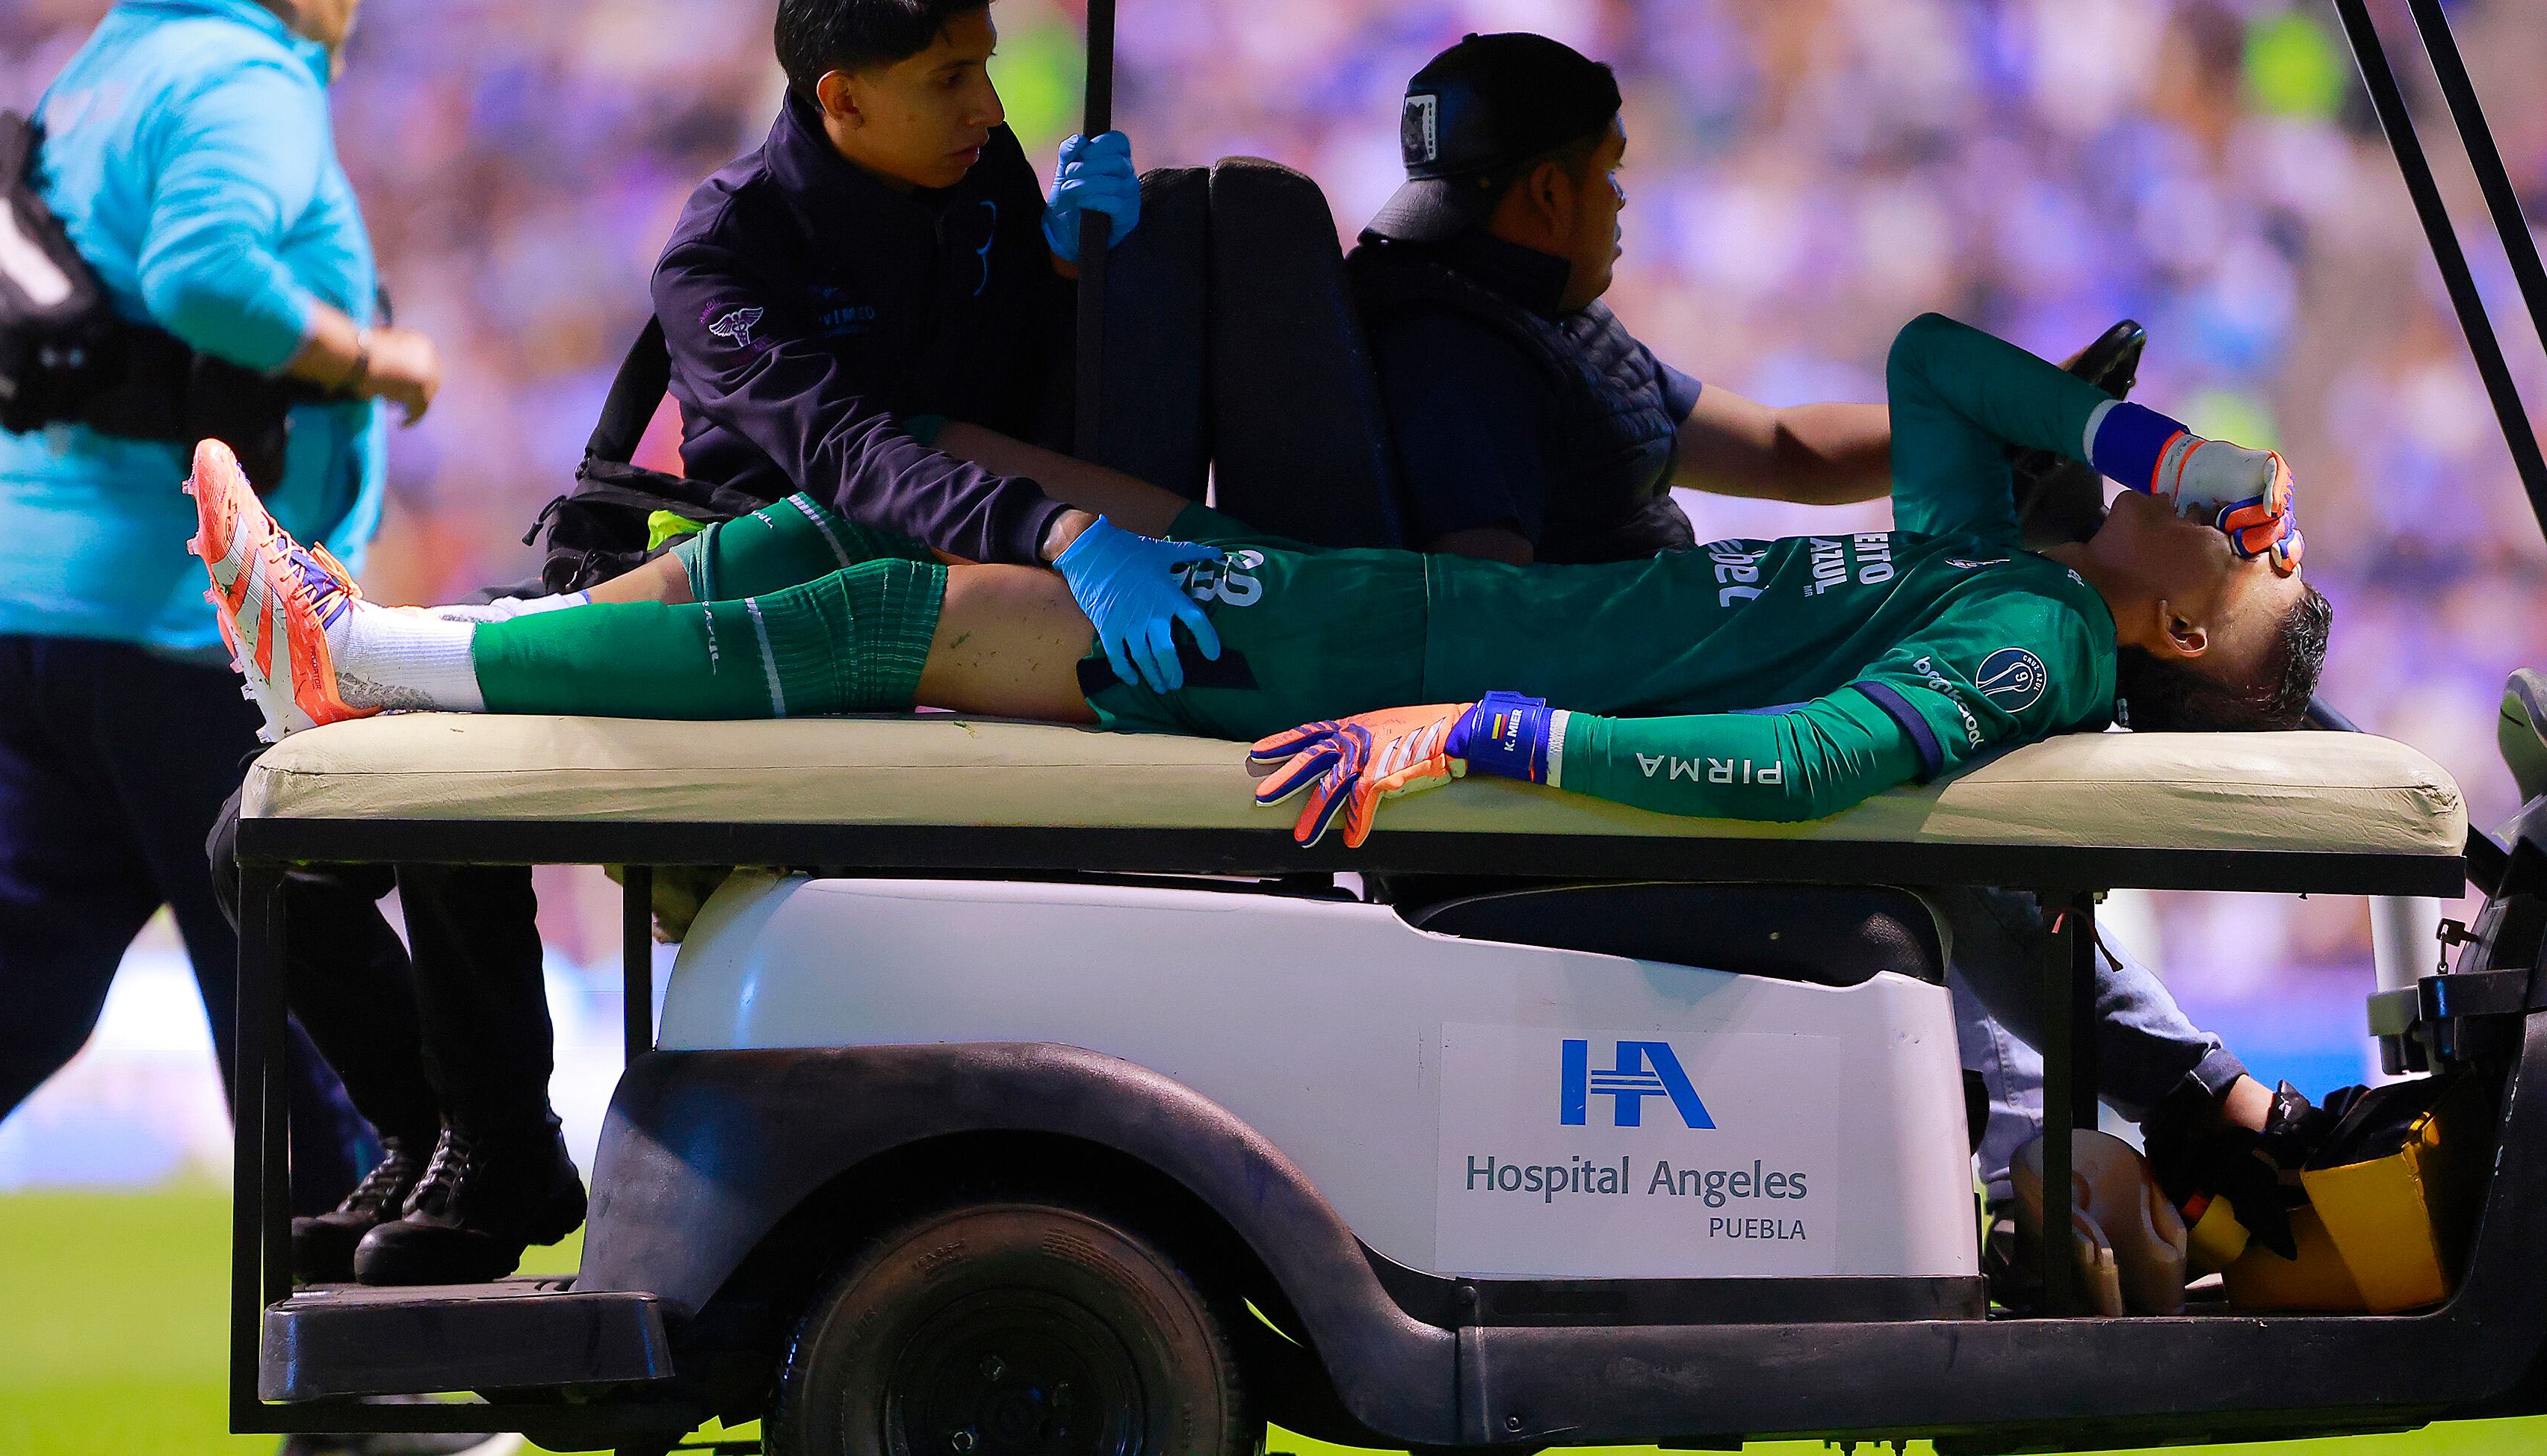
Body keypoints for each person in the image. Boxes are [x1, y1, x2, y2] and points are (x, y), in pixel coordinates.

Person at [191, 312, 2325, 1266]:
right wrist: (2206, 465)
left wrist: (1494, 739)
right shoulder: (2005, 552)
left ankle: (365, 658)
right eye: (2253, 535)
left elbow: (1796, 763)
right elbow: (1942, 358)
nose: (2247, 536)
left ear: (2157, 647)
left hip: (1395, 666)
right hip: (1394, 622)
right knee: (833, 569)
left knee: (878, 607)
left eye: (2239, 575)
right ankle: (370, 663)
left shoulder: (2029, 645)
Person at [0, 0, 440, 1210]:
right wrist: (376, 358)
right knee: (298, 986)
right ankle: (364, 1393)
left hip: (20, 607)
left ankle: (355, 1390)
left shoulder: (97, 74)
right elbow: (209, 272)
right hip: (175, 618)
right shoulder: (243, 71)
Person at [646, 0, 1218, 695]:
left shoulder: (980, 167)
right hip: (799, 564)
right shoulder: (723, 252)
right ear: (843, 99)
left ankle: (1289, 557)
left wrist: (1061, 267)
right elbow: (850, 454)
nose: (988, 106)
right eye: (949, 79)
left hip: (991, 514)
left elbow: (1019, 363)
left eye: (985, 66)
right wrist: (1056, 532)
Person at [1352, 32, 1895, 563]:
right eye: (1609, 169)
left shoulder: (1537, 316)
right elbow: (1489, 622)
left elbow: (1778, 450)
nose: (1621, 196)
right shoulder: (1459, 362)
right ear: (1549, 192)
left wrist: (1951, 430)